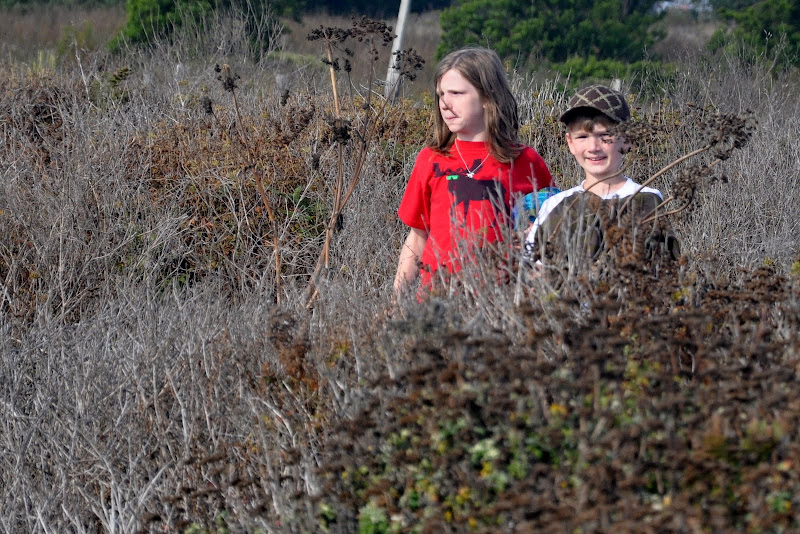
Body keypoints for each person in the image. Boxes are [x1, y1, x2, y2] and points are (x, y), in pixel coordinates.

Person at [393, 47, 555, 295]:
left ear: (488, 97)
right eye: (441, 94)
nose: (445, 103)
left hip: (501, 301)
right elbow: (417, 238)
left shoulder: (526, 160)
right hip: (437, 299)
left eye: (456, 93)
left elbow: (548, 229)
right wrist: (396, 302)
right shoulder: (431, 159)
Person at [525, 84, 674, 264]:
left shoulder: (647, 200)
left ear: (628, 139)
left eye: (605, 136)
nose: (593, 147)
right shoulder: (555, 205)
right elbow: (533, 269)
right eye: (582, 137)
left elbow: (666, 268)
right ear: (570, 142)